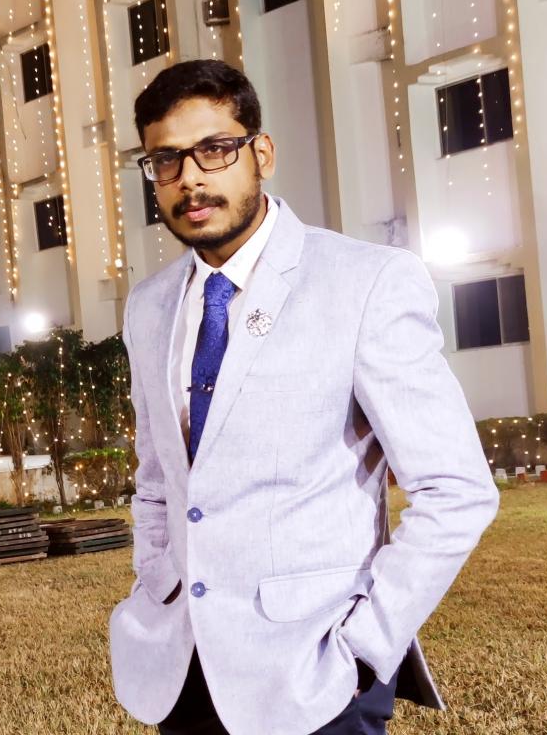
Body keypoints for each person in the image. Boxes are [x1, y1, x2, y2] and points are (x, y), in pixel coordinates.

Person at [108, 59, 499, 735]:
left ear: (261, 153)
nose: (190, 177)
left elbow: (457, 490)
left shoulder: (365, 283)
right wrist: (155, 579)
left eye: (214, 149)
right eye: (166, 160)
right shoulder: (148, 306)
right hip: (182, 668)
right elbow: (157, 479)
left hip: (315, 673)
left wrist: (365, 646)